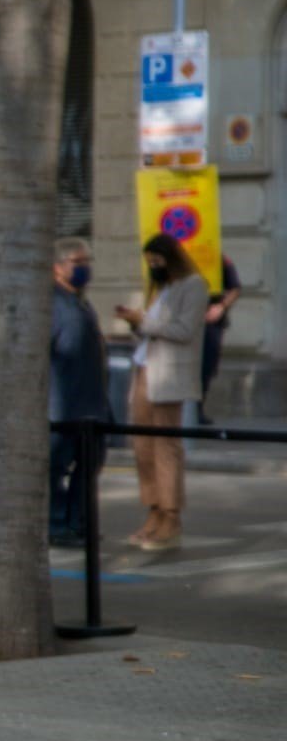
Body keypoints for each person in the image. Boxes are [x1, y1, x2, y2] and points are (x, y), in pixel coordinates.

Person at [114, 234, 208, 552]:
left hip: (169, 376)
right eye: (149, 261)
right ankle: (153, 509)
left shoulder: (193, 285)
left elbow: (184, 330)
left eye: (157, 260)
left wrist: (145, 322)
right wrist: (134, 322)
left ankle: (171, 515)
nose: (153, 266)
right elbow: (151, 329)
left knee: (166, 448)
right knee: (142, 447)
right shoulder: (161, 289)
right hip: (144, 370)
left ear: (171, 257)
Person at [48, 238, 110, 549]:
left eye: (87, 261)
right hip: (61, 406)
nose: (85, 268)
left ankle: (78, 523)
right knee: (55, 470)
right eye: (78, 262)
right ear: (57, 268)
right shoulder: (51, 304)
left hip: (91, 405)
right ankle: (58, 524)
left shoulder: (82, 303)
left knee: (88, 469)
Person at [200, 258, 242, 424]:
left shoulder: (217, 257)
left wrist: (221, 306)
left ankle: (197, 408)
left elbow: (235, 288)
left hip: (210, 321)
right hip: (185, 321)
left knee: (206, 366)